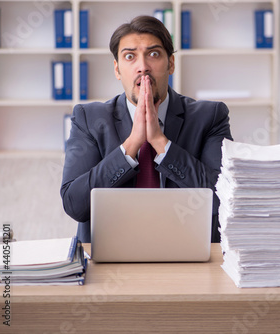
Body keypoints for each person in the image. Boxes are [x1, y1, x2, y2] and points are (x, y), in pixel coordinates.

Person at [60, 15, 232, 243]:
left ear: (171, 63)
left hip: (187, 250)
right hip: (112, 252)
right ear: (117, 69)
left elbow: (224, 199)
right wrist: (131, 145)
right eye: (130, 56)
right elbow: (75, 205)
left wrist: (161, 143)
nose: (143, 67)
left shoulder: (210, 116)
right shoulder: (88, 119)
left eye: (153, 54)